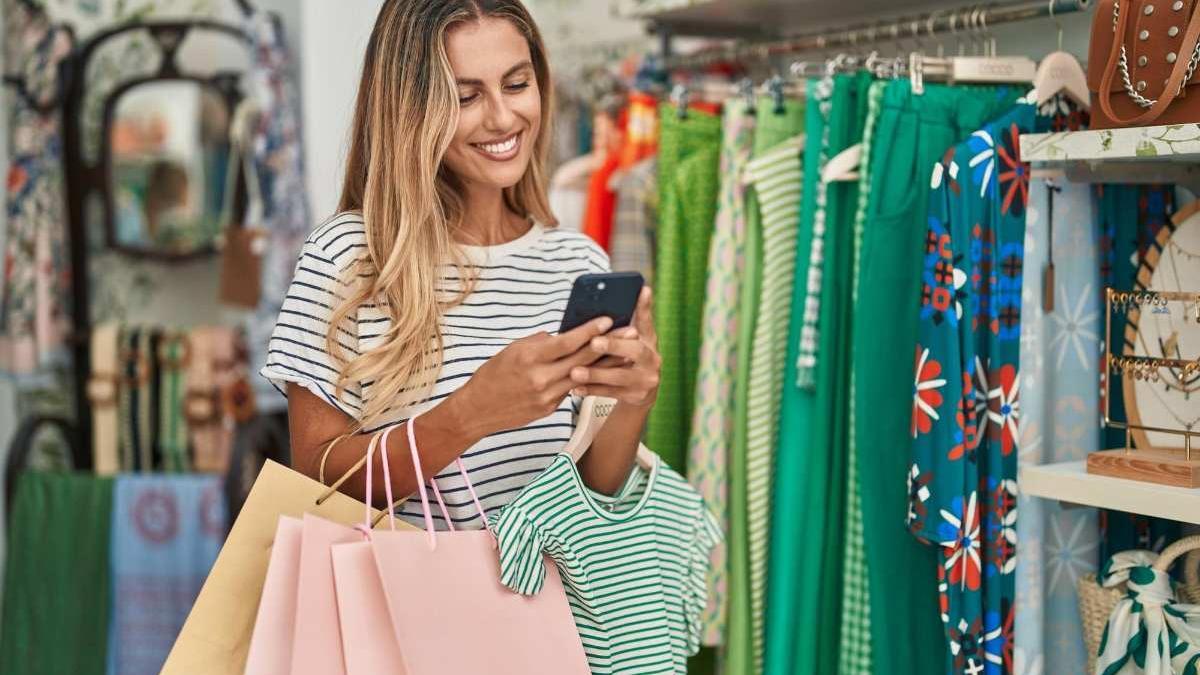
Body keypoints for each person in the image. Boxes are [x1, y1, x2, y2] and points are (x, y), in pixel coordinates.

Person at [261, 0, 661, 529]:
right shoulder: (347, 257)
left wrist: (634, 398)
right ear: (411, 109)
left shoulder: (576, 261)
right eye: (465, 96)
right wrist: (471, 413)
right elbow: (316, 481)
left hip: (546, 608)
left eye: (517, 85)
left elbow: (596, 491)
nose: (502, 117)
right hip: (400, 607)